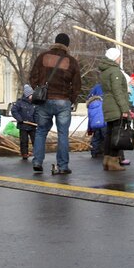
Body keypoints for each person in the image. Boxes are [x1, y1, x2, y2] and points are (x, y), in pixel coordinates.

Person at [29, 33, 82, 175]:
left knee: (40, 131)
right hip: (63, 101)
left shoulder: (42, 57)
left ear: (55, 42)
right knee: (62, 134)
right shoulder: (71, 61)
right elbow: (77, 84)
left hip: (45, 101)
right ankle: (63, 166)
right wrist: (71, 98)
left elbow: (32, 76)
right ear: (67, 45)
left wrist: (39, 90)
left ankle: (37, 162)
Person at [99, 47, 129, 171]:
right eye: (119, 56)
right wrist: (125, 109)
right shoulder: (115, 71)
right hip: (115, 106)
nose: (120, 59)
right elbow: (118, 91)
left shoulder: (105, 71)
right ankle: (114, 161)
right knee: (117, 135)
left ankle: (107, 159)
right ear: (115, 57)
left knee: (110, 133)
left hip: (108, 105)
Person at [10, 84, 37, 159]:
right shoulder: (19, 103)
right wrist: (19, 119)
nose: (33, 96)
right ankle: (24, 153)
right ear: (27, 95)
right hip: (23, 125)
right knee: (24, 140)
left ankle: (37, 153)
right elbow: (14, 111)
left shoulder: (34, 104)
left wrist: (36, 121)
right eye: (31, 94)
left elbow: (36, 113)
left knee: (36, 140)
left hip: (32, 125)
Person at [86, 83, 105, 158]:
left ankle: (95, 152)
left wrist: (89, 128)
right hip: (104, 123)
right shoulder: (104, 103)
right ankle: (105, 151)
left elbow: (90, 117)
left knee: (96, 137)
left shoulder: (91, 105)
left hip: (95, 123)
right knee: (105, 136)